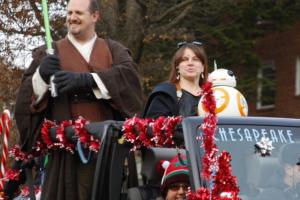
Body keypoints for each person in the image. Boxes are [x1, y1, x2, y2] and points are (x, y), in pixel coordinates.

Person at [14, 0, 143, 199]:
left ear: (95, 16)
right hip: (64, 157)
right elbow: (24, 101)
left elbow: (129, 80)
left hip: (107, 152)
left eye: (79, 13)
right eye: (69, 12)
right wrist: (41, 76)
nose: (72, 18)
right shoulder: (49, 53)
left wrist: (88, 80)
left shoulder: (113, 50)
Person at [143, 41, 208, 118]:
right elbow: (154, 127)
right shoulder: (165, 94)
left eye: (195, 59)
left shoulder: (214, 95)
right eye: (184, 59)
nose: (190, 63)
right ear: (177, 67)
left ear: (203, 67)